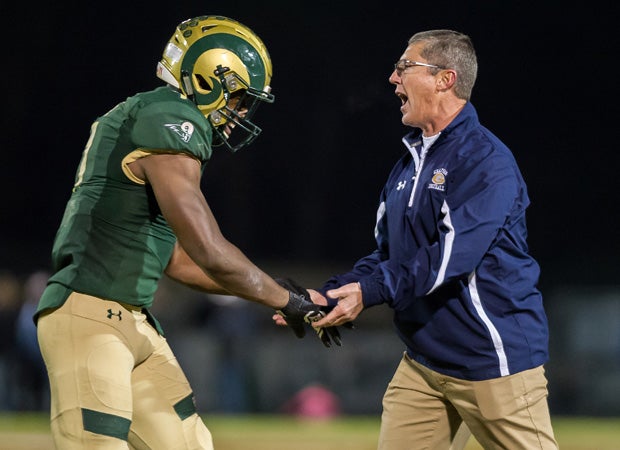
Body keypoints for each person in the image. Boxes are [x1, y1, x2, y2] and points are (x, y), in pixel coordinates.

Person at [34, 15, 332, 450]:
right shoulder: (169, 115)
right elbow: (208, 249)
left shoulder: (155, 119)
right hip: (90, 314)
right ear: (210, 78)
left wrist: (275, 290)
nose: (243, 112)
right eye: (241, 98)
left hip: (132, 321)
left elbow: (180, 261)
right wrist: (287, 301)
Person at [300, 30, 558, 449]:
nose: (392, 78)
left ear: (445, 79)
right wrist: (330, 294)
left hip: (493, 361)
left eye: (404, 67)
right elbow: (386, 256)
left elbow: (452, 257)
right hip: (424, 365)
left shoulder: (486, 160)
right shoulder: (408, 165)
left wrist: (370, 291)